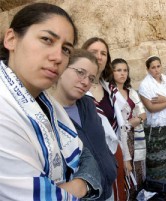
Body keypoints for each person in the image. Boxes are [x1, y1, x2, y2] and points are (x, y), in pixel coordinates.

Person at [0, 3, 101, 200]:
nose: (57, 57)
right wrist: (85, 185)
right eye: (46, 39)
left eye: (66, 49)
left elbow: (86, 155)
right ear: (11, 39)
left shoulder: (49, 104)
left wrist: (81, 183)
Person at [51, 49, 117, 200]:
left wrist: (111, 164)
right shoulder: (48, 114)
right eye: (80, 72)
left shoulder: (88, 104)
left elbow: (100, 140)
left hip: (107, 189)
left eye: (91, 78)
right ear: (61, 70)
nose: (86, 82)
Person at [82, 37, 129, 201]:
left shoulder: (110, 89)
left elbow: (120, 127)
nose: (99, 56)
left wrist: (126, 158)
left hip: (114, 153)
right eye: (93, 52)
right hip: (89, 159)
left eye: (103, 53)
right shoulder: (78, 88)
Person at [138, 55, 166, 184]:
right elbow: (151, 108)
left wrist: (165, 100)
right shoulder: (144, 85)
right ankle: (157, 186)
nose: (156, 70)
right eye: (153, 67)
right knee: (156, 159)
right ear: (148, 69)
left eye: (158, 66)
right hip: (156, 128)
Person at [111, 58, 147, 198]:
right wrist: (128, 123)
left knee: (136, 168)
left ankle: (136, 195)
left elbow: (143, 114)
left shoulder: (131, 91)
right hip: (120, 137)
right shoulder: (110, 93)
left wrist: (136, 120)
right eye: (118, 70)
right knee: (123, 168)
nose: (122, 74)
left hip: (134, 136)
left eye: (125, 70)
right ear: (112, 72)